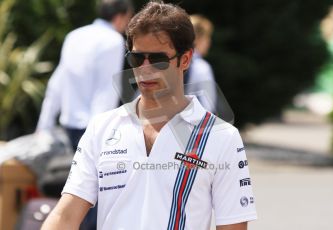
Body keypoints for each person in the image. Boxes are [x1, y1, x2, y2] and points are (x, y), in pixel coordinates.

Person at [41, 2, 257, 230]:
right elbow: (65, 217)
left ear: (185, 60)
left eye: (157, 60)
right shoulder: (101, 127)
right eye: (136, 59)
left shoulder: (222, 137)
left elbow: (232, 227)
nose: (144, 69)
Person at [36, 0, 133, 151]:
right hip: (90, 129)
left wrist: (44, 125)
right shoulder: (113, 41)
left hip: (68, 126)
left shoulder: (74, 35)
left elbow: (57, 82)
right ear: (120, 16)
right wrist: (98, 136)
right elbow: (107, 90)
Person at [184, 14, 217, 113]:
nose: (209, 42)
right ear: (198, 39)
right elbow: (208, 107)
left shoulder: (171, 63)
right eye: (207, 37)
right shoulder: (201, 67)